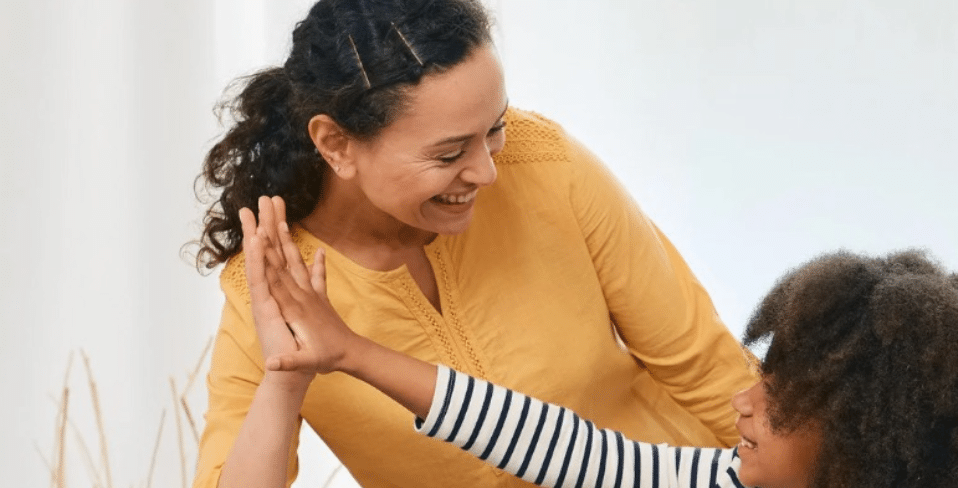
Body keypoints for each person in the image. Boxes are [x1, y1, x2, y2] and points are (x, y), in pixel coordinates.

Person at [193, 1, 757, 486]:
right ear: (336, 144)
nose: (488, 171)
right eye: (448, 154)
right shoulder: (271, 289)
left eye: (495, 127)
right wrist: (285, 379)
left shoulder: (544, 165)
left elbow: (707, 367)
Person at [249, 224, 958, 488]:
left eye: (779, 399)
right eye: (762, 377)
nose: (743, 398)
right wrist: (350, 352)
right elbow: (564, 447)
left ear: (861, 433)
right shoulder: (719, 481)